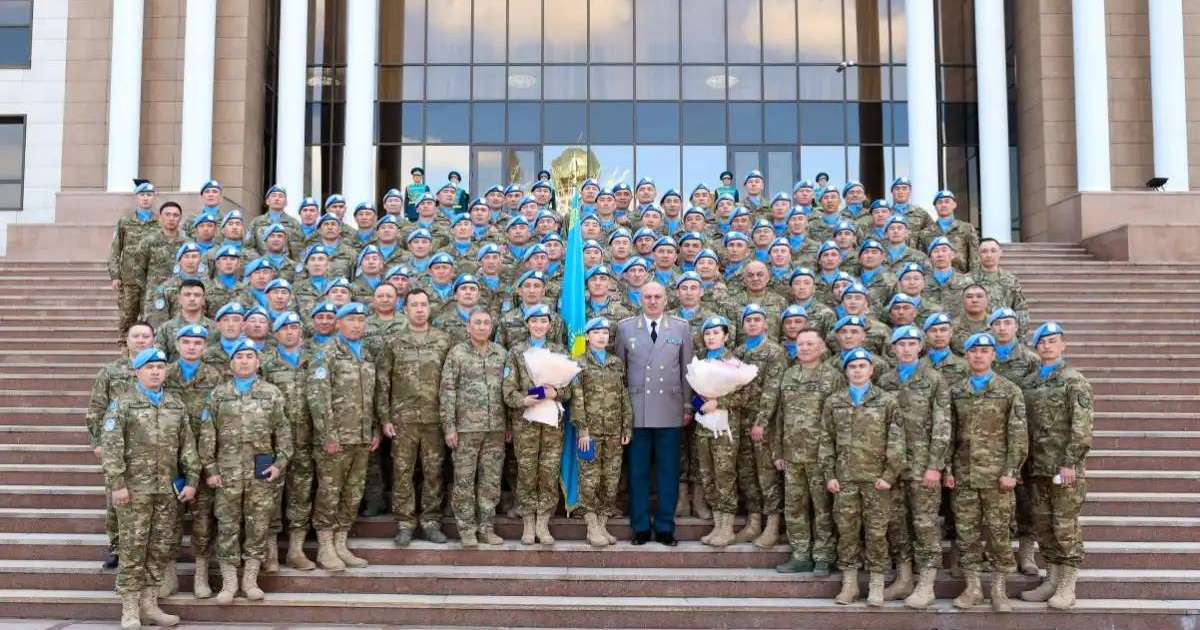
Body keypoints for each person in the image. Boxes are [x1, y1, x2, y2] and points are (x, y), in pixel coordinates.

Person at [101, 347, 199, 630]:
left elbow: (188, 447)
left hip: (167, 491)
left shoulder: (175, 405)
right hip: (134, 491)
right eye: (150, 367)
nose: (156, 371)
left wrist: (192, 480)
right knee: (133, 548)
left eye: (160, 366)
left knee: (159, 548)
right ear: (138, 371)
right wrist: (118, 484)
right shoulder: (123, 404)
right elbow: (111, 448)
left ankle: (150, 603)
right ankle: (129, 608)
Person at [198, 339, 292, 604]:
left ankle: (250, 580)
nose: (244, 361)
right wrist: (210, 470)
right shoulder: (218, 394)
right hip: (226, 473)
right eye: (239, 357)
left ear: (257, 362)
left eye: (250, 356)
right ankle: (229, 583)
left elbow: (283, 432)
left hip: (260, 472)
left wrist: (279, 464)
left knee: (258, 525)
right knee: (227, 525)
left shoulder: (272, 393)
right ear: (231, 363)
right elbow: (207, 435)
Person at [947, 332, 1028, 612]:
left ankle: (999, 590)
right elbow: (949, 434)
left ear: (994, 355)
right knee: (967, 534)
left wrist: (1011, 471)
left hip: (997, 478)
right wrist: (947, 468)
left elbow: (1018, 435)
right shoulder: (956, 391)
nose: (979, 355)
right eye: (973, 351)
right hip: (965, 474)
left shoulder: (1009, 390)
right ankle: (972, 588)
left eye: (985, 350)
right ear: (966, 356)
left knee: (999, 534)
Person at [820, 348, 905, 607]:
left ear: (871, 370)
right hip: (844, 479)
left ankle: (877, 584)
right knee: (847, 531)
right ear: (846, 371)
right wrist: (829, 474)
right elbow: (826, 439)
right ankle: (850, 584)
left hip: (876, 480)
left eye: (861, 366)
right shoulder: (834, 401)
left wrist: (890, 475)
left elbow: (897, 440)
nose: (857, 370)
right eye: (852, 366)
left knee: (877, 532)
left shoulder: (887, 401)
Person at [876, 325, 952, 609]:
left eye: (911, 344)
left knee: (925, 523)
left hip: (923, 466)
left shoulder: (934, 379)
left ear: (920, 348)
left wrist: (936, 465)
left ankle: (926, 583)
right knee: (897, 523)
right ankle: (904, 577)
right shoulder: (884, 381)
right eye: (901, 344)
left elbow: (943, 425)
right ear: (893, 349)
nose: (906, 349)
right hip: (892, 467)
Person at [1019, 322, 1093, 610]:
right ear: (1036, 348)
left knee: (1065, 526)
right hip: (1037, 468)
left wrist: (1071, 462)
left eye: (1052, 341)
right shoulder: (1031, 383)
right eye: (1042, 342)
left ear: (1063, 346)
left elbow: (1082, 427)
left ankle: (1067, 584)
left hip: (1064, 470)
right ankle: (1051, 578)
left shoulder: (1074, 381)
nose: (1047, 346)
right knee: (1043, 525)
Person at [614, 282, 695, 545]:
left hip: (670, 410)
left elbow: (687, 370)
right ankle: (639, 526)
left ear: (666, 298)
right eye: (647, 296)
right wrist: (622, 411)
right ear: (639, 298)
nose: (652, 301)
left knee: (668, 472)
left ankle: (664, 527)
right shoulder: (626, 328)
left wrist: (686, 405)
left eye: (657, 296)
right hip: (637, 411)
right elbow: (620, 374)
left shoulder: (680, 327)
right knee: (637, 472)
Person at [306, 302, 380, 571]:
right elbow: (318, 397)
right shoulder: (326, 354)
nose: (357, 325)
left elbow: (371, 396)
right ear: (338, 324)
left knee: (352, 493)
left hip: (360, 437)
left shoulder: (367, 354)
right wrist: (327, 434)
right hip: (335, 439)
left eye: (361, 320)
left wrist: (373, 428)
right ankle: (325, 547)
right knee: (329, 492)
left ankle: (341, 542)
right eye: (350, 320)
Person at [376, 289, 453, 546]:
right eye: (414, 305)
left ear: (429, 309)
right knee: (403, 472)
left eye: (423, 304)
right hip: (403, 421)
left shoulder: (444, 341)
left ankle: (431, 522)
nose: (419, 309)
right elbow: (383, 382)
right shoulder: (394, 341)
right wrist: (384, 418)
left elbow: (452, 381)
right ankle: (405, 523)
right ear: (405, 310)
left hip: (434, 420)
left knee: (434, 473)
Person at [86, 322, 156, 570]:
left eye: (145, 336)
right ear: (126, 341)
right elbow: (96, 409)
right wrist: (97, 442)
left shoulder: (159, 368)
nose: (140, 340)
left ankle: (148, 551)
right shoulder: (110, 371)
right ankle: (117, 548)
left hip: (151, 448)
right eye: (135, 336)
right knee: (115, 500)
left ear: (153, 340)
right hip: (117, 447)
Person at [162, 324, 225, 599]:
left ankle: (201, 574)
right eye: (186, 342)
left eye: (197, 343)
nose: (191, 347)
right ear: (177, 345)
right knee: (170, 518)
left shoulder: (215, 376)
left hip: (204, 454)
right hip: (171, 459)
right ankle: (168, 573)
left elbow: (221, 418)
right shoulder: (164, 374)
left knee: (202, 520)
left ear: (204, 347)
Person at [502, 304, 571, 545]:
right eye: (534, 321)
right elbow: (507, 390)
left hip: (552, 421)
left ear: (550, 325)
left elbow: (571, 389)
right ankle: (528, 522)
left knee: (549, 470)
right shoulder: (516, 352)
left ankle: (543, 522)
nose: (539, 326)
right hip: (526, 421)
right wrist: (523, 399)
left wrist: (557, 392)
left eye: (543, 321)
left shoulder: (560, 351)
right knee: (527, 470)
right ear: (527, 324)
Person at [773, 328, 840, 575]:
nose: (805, 348)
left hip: (820, 456)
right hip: (792, 455)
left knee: (822, 508)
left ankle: (823, 556)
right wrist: (778, 450)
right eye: (801, 344)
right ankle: (800, 554)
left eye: (810, 343)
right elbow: (781, 415)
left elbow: (837, 420)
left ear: (822, 347)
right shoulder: (789, 375)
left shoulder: (833, 377)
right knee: (794, 507)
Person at [441, 308, 509, 547]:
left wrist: (508, 424)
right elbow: (447, 391)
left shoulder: (501, 354)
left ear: (491, 327)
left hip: (496, 429)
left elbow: (508, 391)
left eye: (486, 323)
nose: (481, 327)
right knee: (464, 481)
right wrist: (449, 427)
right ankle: (467, 529)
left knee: (491, 481)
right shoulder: (457, 353)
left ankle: (486, 527)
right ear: (468, 327)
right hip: (466, 429)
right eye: (477, 323)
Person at [259, 311, 319, 571]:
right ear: (276, 333)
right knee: (270, 497)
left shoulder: (315, 361)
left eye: (294, 327)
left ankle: (296, 550)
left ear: (301, 332)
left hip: (306, 440)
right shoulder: (265, 363)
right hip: (272, 444)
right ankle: (269, 552)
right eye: (284, 327)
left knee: (301, 496)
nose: (290, 332)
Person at [570, 317, 633, 547]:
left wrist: (626, 426)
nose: (601, 336)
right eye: (596, 332)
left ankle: (603, 523)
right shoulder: (578, 362)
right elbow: (577, 399)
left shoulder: (616, 363)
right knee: (590, 478)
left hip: (614, 431)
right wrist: (583, 430)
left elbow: (624, 396)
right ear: (587, 336)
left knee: (611, 478)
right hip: (590, 433)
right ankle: (592, 525)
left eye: (605, 333)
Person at [692, 316, 751, 548]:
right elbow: (694, 394)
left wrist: (720, 401)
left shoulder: (735, 363)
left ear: (726, 336)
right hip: (704, 427)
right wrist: (701, 404)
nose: (711, 337)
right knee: (708, 477)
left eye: (716, 333)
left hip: (725, 428)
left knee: (725, 476)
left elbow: (746, 395)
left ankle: (727, 528)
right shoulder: (700, 362)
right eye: (708, 333)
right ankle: (717, 526)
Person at [732, 304, 787, 548]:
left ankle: (772, 525)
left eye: (757, 319)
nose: (753, 323)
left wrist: (761, 422)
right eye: (748, 320)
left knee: (766, 475)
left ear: (766, 323)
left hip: (762, 424)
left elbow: (772, 390)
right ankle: (754, 522)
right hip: (740, 421)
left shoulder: (774, 352)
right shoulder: (739, 352)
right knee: (747, 473)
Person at [108, 180, 160, 338]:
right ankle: (125, 352)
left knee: (151, 317)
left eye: (149, 195)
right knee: (127, 317)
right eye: (142, 195)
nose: (146, 198)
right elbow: (115, 249)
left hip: (152, 279)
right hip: (130, 280)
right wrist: (115, 276)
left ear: (153, 198)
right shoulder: (125, 222)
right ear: (137, 197)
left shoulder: (159, 222)